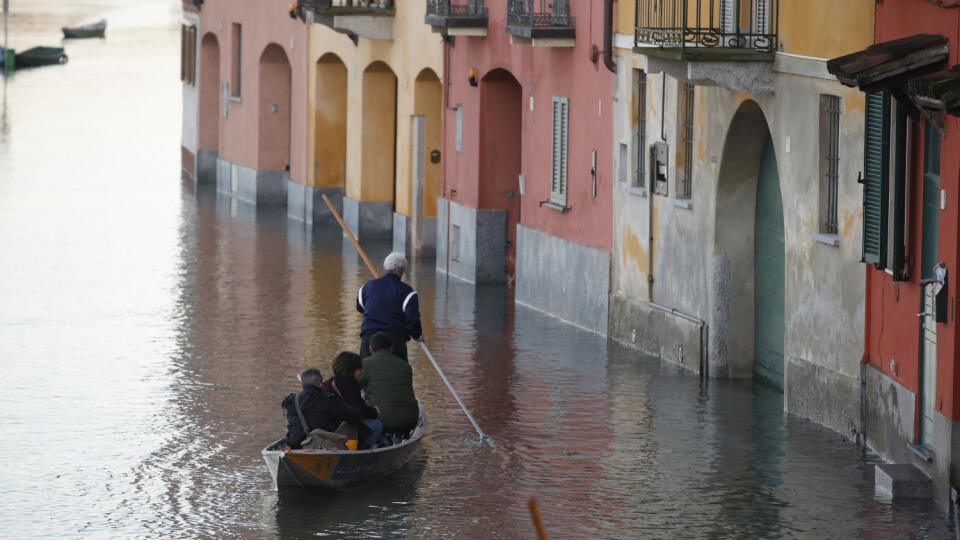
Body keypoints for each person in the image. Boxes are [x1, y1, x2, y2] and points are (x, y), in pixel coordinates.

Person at [281, 368, 379, 449]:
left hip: (296, 444)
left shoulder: (291, 402)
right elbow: (354, 416)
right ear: (320, 384)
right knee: (374, 425)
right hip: (321, 446)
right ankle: (359, 454)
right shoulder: (327, 400)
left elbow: (293, 425)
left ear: (303, 385)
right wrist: (373, 412)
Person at [356, 252, 422, 361]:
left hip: (369, 340)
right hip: (395, 342)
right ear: (403, 271)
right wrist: (417, 335)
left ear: (384, 268)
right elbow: (413, 321)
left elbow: (360, 308)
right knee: (397, 375)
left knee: (366, 375)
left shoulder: (366, 287)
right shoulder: (408, 292)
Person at [359, 331, 419, 438]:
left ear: (370, 349)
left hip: (381, 421)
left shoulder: (365, 363)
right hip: (410, 421)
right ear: (391, 348)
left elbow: (353, 387)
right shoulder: (405, 365)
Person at [322, 351, 383, 449]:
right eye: (360, 368)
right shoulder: (350, 384)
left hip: (330, 427)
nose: (362, 372)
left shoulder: (329, 382)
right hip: (342, 428)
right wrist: (375, 412)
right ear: (352, 370)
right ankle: (361, 450)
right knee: (377, 425)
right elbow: (360, 410)